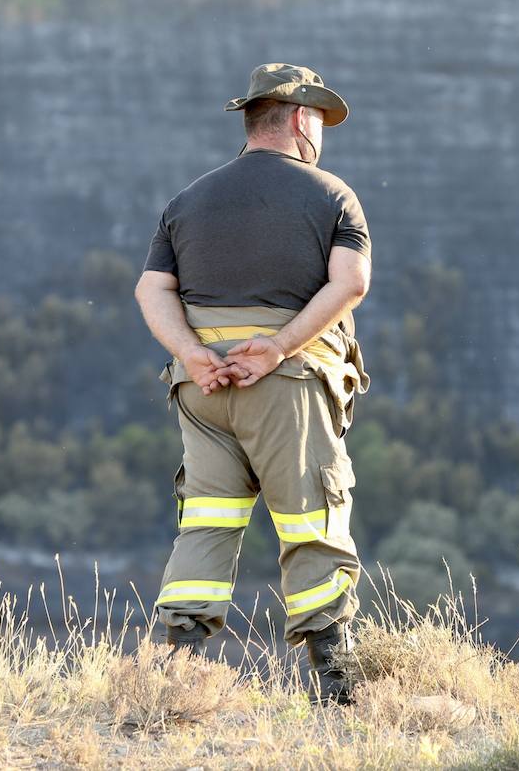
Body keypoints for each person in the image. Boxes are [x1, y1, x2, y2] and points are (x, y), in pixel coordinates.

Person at [133, 62, 372, 704]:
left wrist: (193, 353)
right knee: (311, 520)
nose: (321, 134)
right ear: (299, 120)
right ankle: (336, 683)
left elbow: (152, 288)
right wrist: (276, 348)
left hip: (202, 389)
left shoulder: (188, 200)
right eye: (319, 121)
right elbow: (350, 282)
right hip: (286, 383)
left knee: (207, 522)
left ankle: (170, 679)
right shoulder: (332, 195)